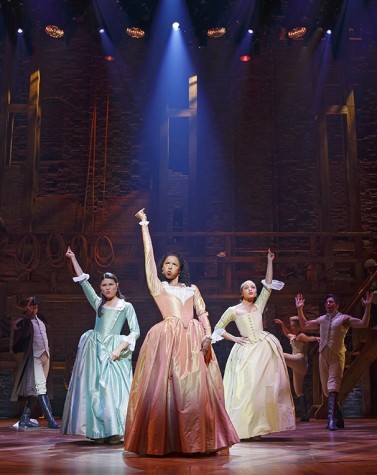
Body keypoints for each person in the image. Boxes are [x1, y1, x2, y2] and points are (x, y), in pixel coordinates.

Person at [123, 209, 239, 456]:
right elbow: (148, 257)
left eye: (173, 264)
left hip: (194, 339)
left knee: (195, 391)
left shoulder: (192, 288)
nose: (168, 267)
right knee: (166, 390)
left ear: (180, 268)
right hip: (168, 338)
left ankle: (197, 440)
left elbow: (203, 313)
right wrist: (144, 225)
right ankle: (166, 440)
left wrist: (208, 335)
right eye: (166, 263)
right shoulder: (158, 288)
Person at [212, 250, 296, 440]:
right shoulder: (233, 310)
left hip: (263, 349)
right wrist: (235, 339)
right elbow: (218, 328)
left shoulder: (259, 305)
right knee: (246, 388)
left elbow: (267, 286)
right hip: (245, 350)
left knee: (263, 389)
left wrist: (269, 261)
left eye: (253, 287)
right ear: (241, 292)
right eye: (247, 287)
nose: (251, 289)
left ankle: (257, 427)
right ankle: (243, 427)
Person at [61, 247, 140, 444]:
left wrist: (120, 348)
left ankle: (114, 431)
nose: (107, 288)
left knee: (112, 391)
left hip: (114, 349)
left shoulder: (125, 306)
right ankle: (97, 431)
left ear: (116, 285)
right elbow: (83, 283)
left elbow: (135, 330)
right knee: (94, 390)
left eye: (110, 284)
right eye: (104, 285)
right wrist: (73, 258)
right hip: (94, 349)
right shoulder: (98, 303)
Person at [295, 291, 372, 431]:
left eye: (331, 302)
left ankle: (331, 420)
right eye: (327, 302)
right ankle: (340, 418)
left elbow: (363, 323)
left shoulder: (344, 318)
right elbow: (305, 325)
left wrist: (367, 307)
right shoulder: (322, 319)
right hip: (323, 355)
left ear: (337, 304)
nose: (328, 304)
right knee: (326, 389)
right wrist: (299, 309)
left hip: (337, 354)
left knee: (333, 385)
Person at [10, 296, 60, 429]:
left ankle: (24, 419)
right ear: (26, 309)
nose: (35, 309)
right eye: (31, 307)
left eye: (36, 307)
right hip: (34, 358)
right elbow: (18, 341)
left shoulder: (42, 320)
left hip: (45, 356)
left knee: (38, 390)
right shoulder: (23, 323)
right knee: (41, 388)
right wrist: (27, 318)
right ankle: (50, 420)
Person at [274, 316, 320, 422]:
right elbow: (287, 333)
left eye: (294, 326)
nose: (292, 328)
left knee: (279, 354)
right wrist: (282, 324)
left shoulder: (301, 335)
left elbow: (308, 338)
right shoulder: (294, 336)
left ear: (300, 327)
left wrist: (315, 338)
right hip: (298, 365)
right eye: (291, 326)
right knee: (298, 391)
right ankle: (305, 415)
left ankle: (271, 368)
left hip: (300, 360)